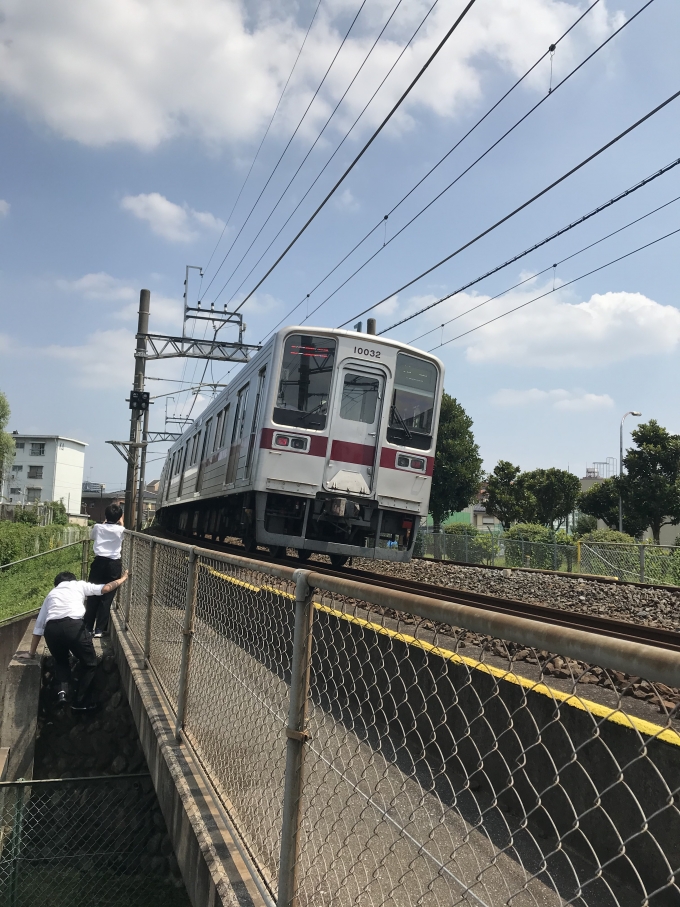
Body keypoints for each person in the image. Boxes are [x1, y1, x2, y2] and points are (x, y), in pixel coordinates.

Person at [27, 569, 128, 709]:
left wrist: (31, 653)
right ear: (72, 580)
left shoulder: (51, 594)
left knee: (61, 661)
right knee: (90, 663)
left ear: (57, 584)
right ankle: (80, 702)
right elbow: (105, 588)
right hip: (73, 626)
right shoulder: (79, 585)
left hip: (52, 630)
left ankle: (62, 693)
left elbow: (38, 627)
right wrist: (122, 578)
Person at [85, 503, 125, 637]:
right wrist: (121, 522)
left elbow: (92, 537)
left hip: (99, 563)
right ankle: (99, 630)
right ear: (119, 517)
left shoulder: (97, 527)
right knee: (107, 598)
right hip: (114, 564)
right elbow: (122, 535)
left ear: (105, 516)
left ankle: (88, 628)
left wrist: (104, 523)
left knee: (92, 594)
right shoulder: (121, 530)